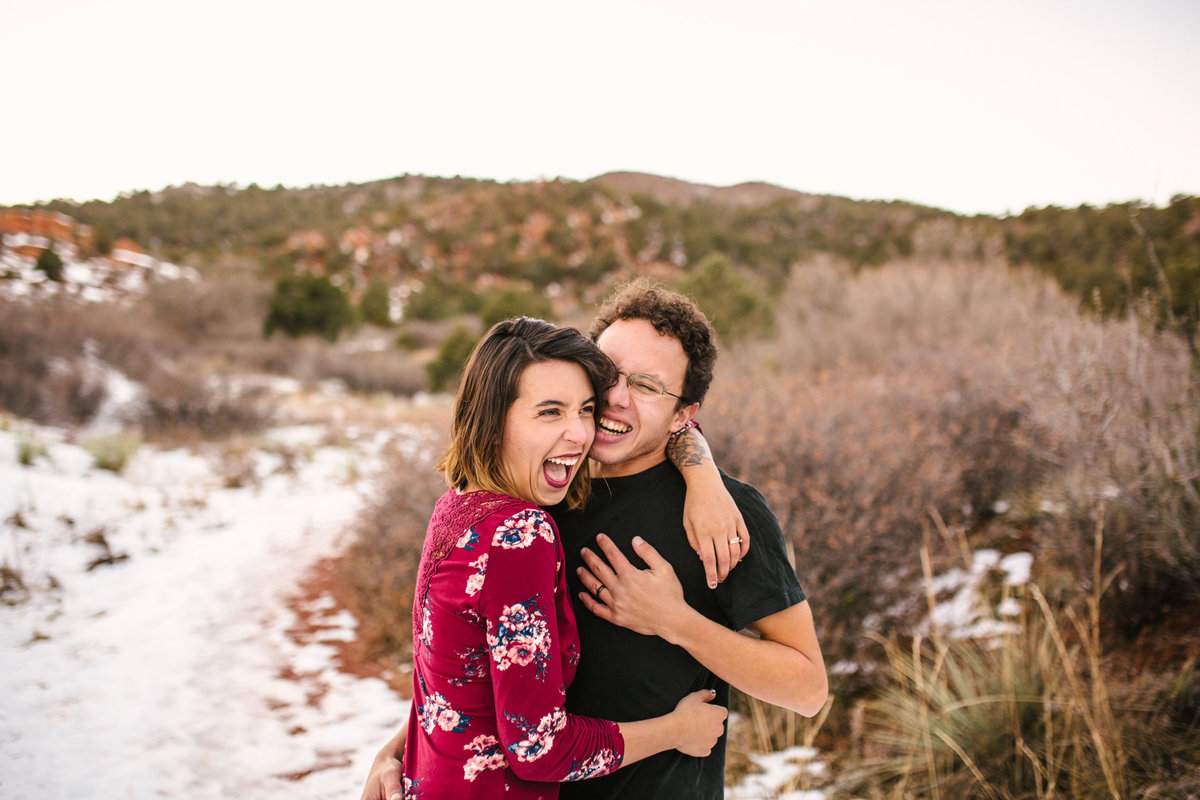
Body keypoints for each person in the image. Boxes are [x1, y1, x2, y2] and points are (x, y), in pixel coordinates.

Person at [366, 316, 727, 800]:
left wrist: (701, 471)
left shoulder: (458, 505)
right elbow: (539, 749)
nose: (579, 434)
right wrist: (677, 731)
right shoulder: (519, 533)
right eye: (550, 412)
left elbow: (454, 682)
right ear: (494, 420)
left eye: (584, 410)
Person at [560, 280, 829, 799]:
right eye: (606, 371)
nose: (615, 398)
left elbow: (808, 688)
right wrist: (400, 746)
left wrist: (676, 621)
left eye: (646, 386)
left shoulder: (726, 514)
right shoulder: (545, 486)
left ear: (685, 414)